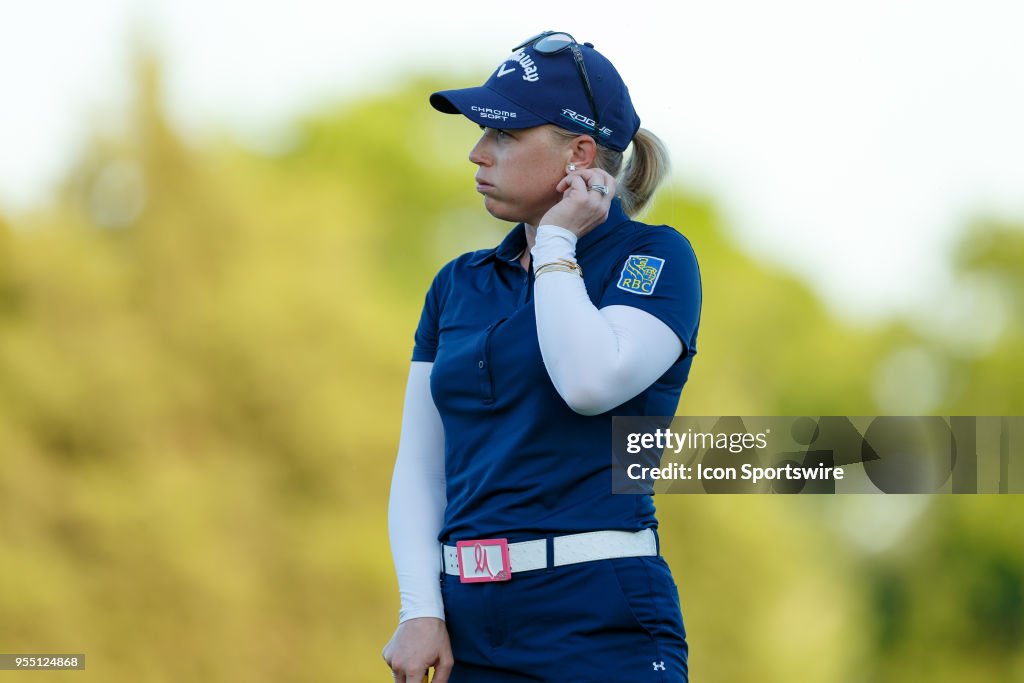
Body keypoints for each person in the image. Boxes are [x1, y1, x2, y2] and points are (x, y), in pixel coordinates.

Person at [382, 31, 701, 682]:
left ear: (580, 154)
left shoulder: (657, 257)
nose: (477, 152)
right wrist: (419, 607)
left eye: (504, 133)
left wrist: (556, 240)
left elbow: (589, 381)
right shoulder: (457, 284)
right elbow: (421, 464)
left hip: (601, 622)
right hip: (468, 627)